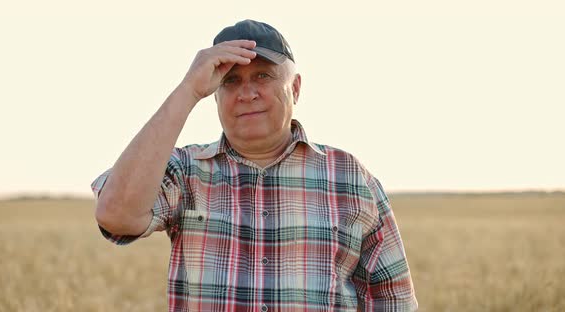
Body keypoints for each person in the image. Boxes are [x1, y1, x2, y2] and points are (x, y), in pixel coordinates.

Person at [92, 19, 418, 311]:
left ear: (296, 88)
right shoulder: (186, 170)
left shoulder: (348, 176)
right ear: (215, 96)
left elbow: (392, 299)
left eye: (262, 75)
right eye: (230, 80)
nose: (246, 93)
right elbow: (117, 215)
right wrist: (188, 90)